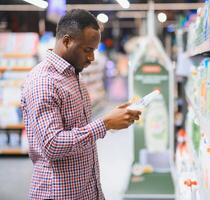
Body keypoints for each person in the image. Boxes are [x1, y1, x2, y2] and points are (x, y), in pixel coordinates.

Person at [21, 9, 141, 200]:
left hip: (86, 189)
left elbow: (77, 129)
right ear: (67, 41)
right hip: (58, 193)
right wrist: (105, 124)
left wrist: (113, 117)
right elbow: (52, 144)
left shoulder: (73, 76)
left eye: (94, 50)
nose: (92, 58)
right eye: (87, 50)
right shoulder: (43, 81)